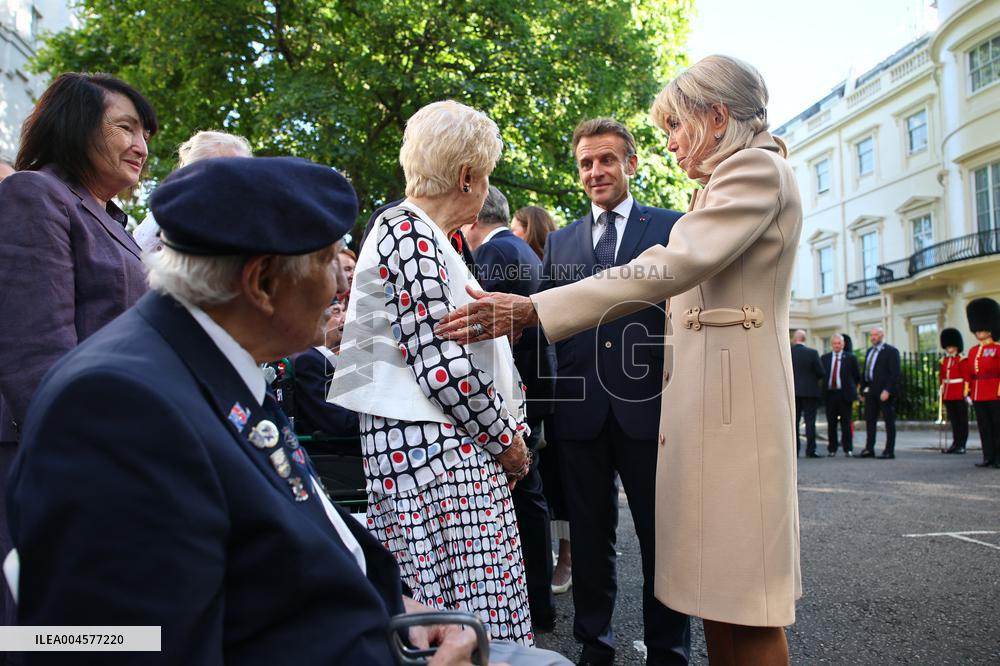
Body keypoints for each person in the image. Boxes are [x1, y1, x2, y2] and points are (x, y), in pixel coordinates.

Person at [7, 156, 567, 666]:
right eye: (328, 261)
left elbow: (288, 523)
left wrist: (394, 599)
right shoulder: (118, 405)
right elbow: (90, 639)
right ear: (264, 283)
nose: (341, 284)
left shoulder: (207, 360)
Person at [437, 55, 802, 664]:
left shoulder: (754, 172)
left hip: (733, 416)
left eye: (676, 127)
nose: (673, 143)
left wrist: (534, 309)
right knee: (717, 595)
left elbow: (666, 269)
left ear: (716, 117)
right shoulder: (725, 181)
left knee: (748, 600)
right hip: (701, 411)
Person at [329, 101, 535, 644]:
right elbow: (440, 368)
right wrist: (508, 442)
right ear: (468, 175)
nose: (486, 186)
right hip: (439, 461)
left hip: (436, 454)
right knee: (464, 628)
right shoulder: (409, 232)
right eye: (486, 174)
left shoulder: (418, 232)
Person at [528, 116, 690, 666]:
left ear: (631, 164)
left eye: (606, 160)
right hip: (580, 417)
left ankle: (668, 650)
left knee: (660, 542)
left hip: (652, 413)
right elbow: (550, 331)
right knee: (590, 542)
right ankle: (594, 646)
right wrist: (548, 413)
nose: (596, 171)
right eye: (586, 163)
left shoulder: (673, 227)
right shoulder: (560, 242)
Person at [0, 72, 157, 630]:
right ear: (75, 124)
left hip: (107, 447)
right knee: (45, 629)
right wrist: (82, 457)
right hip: (52, 453)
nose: (141, 146)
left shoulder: (111, 218)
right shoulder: (33, 192)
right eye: (126, 128)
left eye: (147, 135)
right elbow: (33, 348)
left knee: (106, 628)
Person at [464, 186, 558, 633]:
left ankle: (528, 603)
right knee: (530, 497)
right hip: (538, 385)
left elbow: (482, 326)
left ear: (473, 220)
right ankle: (537, 603)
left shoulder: (493, 253)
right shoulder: (523, 248)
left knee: (520, 498)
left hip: (512, 392)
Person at [508, 206, 570, 594]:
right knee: (554, 481)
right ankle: (561, 559)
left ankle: (565, 559)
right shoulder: (538, 262)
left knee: (560, 482)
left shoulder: (522, 261)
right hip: (556, 381)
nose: (512, 232)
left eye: (517, 227)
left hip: (556, 382)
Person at [132, 129, 252, 253]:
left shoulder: (247, 226)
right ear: (190, 176)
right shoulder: (162, 223)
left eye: (243, 173)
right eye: (225, 174)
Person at [292, 297, 359, 438]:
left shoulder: (329, 360)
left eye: (344, 311)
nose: (345, 318)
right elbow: (340, 422)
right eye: (336, 312)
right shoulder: (308, 360)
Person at [965, 298, 1000, 468]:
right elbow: (970, 374)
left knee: (997, 426)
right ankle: (988, 456)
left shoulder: (998, 349)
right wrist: (969, 392)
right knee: (984, 427)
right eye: (977, 329)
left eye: (982, 328)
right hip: (979, 393)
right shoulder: (973, 351)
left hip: (995, 391)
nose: (979, 332)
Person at [859, 327, 901, 459]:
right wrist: (863, 389)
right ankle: (869, 448)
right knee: (870, 420)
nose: (873, 337)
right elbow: (866, 371)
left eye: (876, 335)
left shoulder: (891, 351)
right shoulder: (870, 351)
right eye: (871, 335)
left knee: (889, 421)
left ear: (882, 335)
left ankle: (889, 450)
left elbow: (895, 373)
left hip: (884, 391)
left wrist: (887, 390)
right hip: (871, 391)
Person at [821, 334, 860, 457]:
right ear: (831, 344)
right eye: (835, 343)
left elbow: (856, 376)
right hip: (830, 395)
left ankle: (848, 448)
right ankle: (832, 449)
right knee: (831, 423)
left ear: (843, 344)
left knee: (846, 423)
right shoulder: (825, 358)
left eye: (839, 343)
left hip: (845, 395)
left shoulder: (850, 358)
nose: (837, 345)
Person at [791, 330, 824, 458]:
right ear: (804, 339)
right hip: (810, 392)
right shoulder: (812, 353)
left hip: (794, 392)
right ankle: (810, 450)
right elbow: (821, 372)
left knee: (794, 422)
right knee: (810, 422)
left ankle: (795, 450)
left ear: (795, 339)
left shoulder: (790, 352)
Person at [939, 328, 969, 455]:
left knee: (962, 421)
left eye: (951, 346)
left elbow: (966, 377)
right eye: (947, 347)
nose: (949, 349)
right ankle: (955, 443)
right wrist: (941, 390)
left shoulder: (962, 360)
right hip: (948, 393)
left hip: (959, 392)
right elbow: (942, 377)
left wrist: (966, 393)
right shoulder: (944, 361)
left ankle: (962, 444)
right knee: (954, 421)